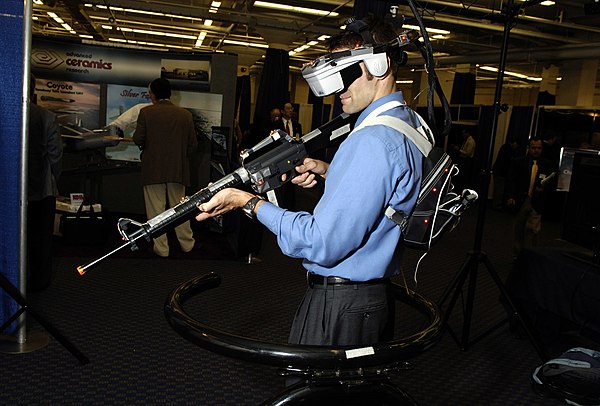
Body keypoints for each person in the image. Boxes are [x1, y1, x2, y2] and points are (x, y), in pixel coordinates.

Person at [194, 17, 424, 347]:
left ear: (380, 63)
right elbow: (389, 191)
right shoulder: (405, 123)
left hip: (342, 306)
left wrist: (247, 202)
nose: (338, 90)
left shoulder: (371, 141)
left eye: (346, 75)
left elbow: (321, 242)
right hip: (372, 300)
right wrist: (328, 169)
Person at [133, 78, 198, 258]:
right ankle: (187, 245)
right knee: (181, 209)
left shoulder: (146, 113)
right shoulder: (185, 115)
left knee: (156, 211)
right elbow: (193, 145)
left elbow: (138, 139)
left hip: (153, 170)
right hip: (178, 170)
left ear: (153, 94)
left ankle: (162, 249)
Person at [27, 75, 63, 291]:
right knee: (41, 238)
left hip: (10, 191)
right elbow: (55, 155)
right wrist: (54, 179)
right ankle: (40, 281)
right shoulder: (47, 117)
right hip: (41, 190)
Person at [505, 137, 554, 256]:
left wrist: (544, 188)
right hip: (521, 199)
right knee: (518, 229)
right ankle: (518, 255)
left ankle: (531, 256)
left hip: (536, 201)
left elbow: (551, 182)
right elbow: (512, 180)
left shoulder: (547, 164)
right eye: (533, 148)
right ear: (528, 148)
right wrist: (510, 196)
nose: (536, 150)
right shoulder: (519, 162)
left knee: (534, 231)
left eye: (539, 148)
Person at [491, 139, 520, 210]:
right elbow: (506, 162)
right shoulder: (508, 149)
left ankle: (496, 204)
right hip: (501, 172)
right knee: (499, 190)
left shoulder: (504, 147)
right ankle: (497, 205)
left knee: (498, 189)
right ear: (514, 143)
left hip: (498, 171)